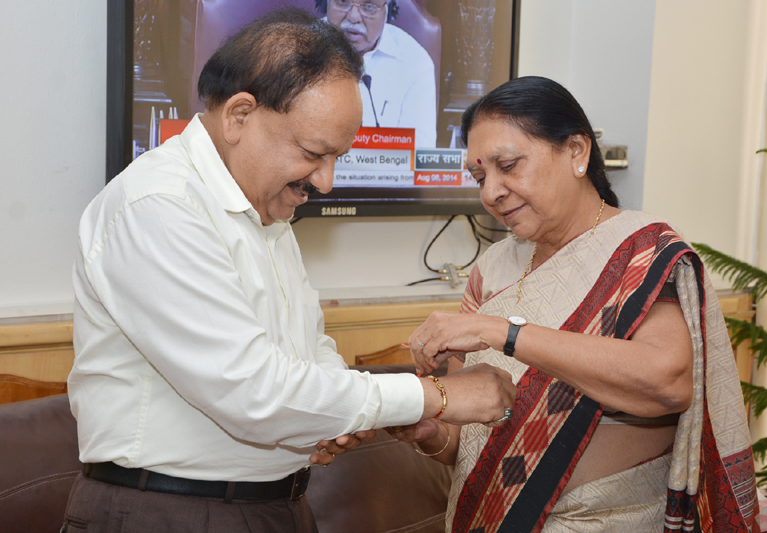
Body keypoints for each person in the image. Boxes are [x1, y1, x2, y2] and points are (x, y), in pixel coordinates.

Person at [63, 9, 517, 532]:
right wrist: (437, 395)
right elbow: (253, 391)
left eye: (337, 158)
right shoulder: (158, 206)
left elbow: (308, 348)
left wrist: (326, 419)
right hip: (171, 511)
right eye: (312, 153)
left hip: (275, 506)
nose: (325, 182)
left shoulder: (267, 212)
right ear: (239, 115)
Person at [392, 76, 759, 532]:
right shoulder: (492, 270)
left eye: (509, 165)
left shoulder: (640, 252)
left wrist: (502, 333)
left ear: (577, 152)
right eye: (480, 176)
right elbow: (466, 441)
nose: (490, 193)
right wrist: (431, 433)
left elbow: (668, 381)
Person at [317, 0, 437, 147]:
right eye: (342, 2)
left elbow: (419, 151)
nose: (354, 17)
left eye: (369, 7)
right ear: (324, 3)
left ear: (388, 11)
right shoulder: (298, 50)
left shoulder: (415, 62)